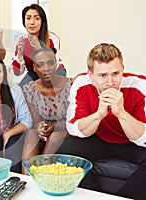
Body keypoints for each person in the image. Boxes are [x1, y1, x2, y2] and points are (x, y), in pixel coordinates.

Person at [56, 43, 146, 200]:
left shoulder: (139, 85)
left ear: (123, 69)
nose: (110, 82)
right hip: (100, 140)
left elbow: (144, 138)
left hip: (132, 144)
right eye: (103, 75)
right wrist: (98, 115)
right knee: (66, 147)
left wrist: (122, 114)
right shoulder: (81, 83)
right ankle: (91, 195)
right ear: (91, 75)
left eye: (116, 73)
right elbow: (74, 128)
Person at [21, 47, 71, 173]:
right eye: (40, 65)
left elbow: (77, 123)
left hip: (66, 130)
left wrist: (55, 127)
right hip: (47, 130)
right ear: (34, 67)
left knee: (54, 136)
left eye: (50, 63)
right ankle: (26, 180)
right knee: (31, 133)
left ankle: (42, 174)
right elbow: (37, 121)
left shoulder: (72, 85)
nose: (46, 68)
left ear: (56, 64)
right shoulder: (29, 89)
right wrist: (40, 126)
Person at [11, 3, 66, 88]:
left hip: (55, 72)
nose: (32, 22)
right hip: (34, 73)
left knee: (54, 86)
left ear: (42, 21)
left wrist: (39, 50)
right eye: (28, 18)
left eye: (36, 18)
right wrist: (20, 55)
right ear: (24, 22)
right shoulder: (21, 41)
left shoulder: (52, 38)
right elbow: (17, 72)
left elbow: (54, 65)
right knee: (21, 90)